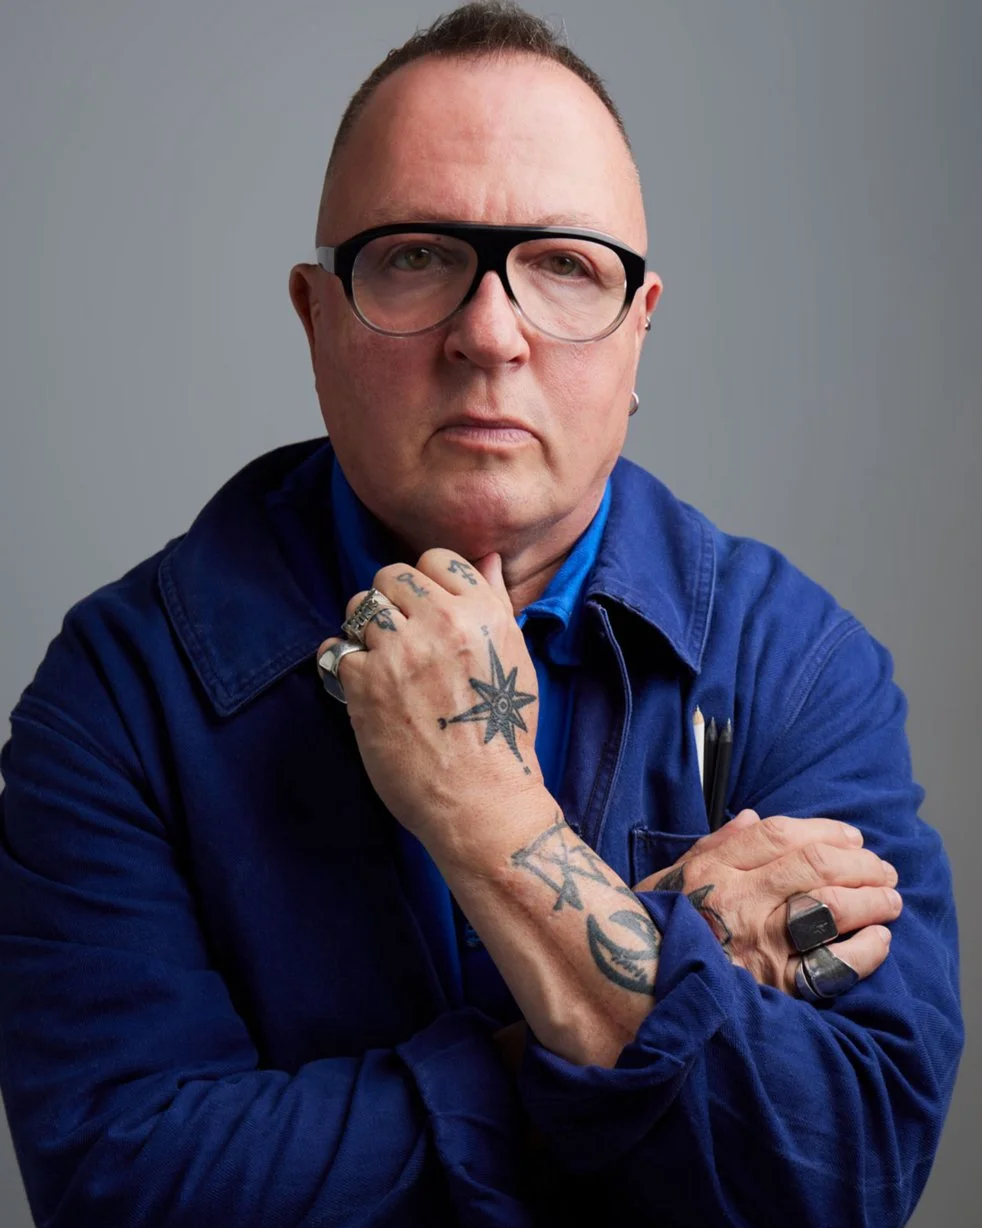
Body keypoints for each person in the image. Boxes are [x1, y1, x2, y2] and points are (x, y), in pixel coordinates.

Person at [0, 3, 962, 1226]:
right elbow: (127, 1190)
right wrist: (657, 968)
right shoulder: (117, 694)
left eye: (564, 265)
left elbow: (845, 1172)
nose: (489, 334)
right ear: (315, 317)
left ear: (638, 330)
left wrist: (485, 816)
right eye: (414, 255)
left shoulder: (796, 664)